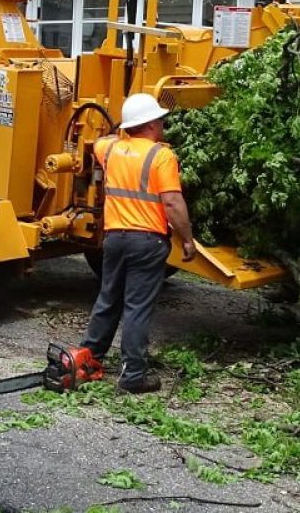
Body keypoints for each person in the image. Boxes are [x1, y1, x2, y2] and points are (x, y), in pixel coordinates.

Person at [81, 93, 196, 394]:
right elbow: (172, 202)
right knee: (137, 308)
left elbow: (99, 141)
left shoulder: (111, 150)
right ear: (150, 124)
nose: (162, 124)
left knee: (109, 299)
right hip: (146, 241)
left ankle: (89, 359)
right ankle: (132, 375)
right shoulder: (161, 156)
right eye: (159, 119)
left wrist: (125, 125)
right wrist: (187, 238)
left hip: (115, 238)